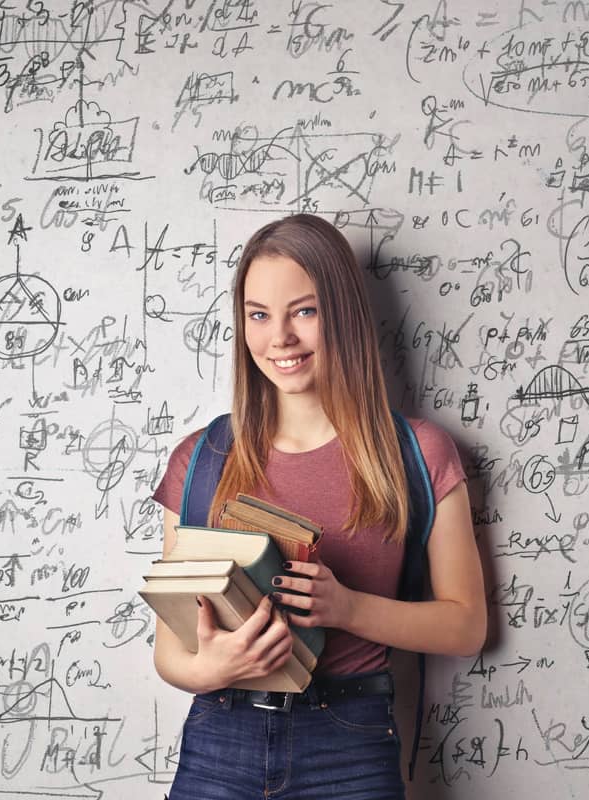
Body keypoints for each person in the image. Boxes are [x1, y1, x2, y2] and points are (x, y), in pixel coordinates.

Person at [150, 213, 487, 799]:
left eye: (303, 311)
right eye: (259, 315)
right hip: (219, 740)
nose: (279, 338)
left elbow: (466, 627)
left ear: (343, 314)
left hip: (350, 747)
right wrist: (216, 668)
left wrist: (348, 608)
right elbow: (170, 652)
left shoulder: (418, 454)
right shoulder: (201, 459)